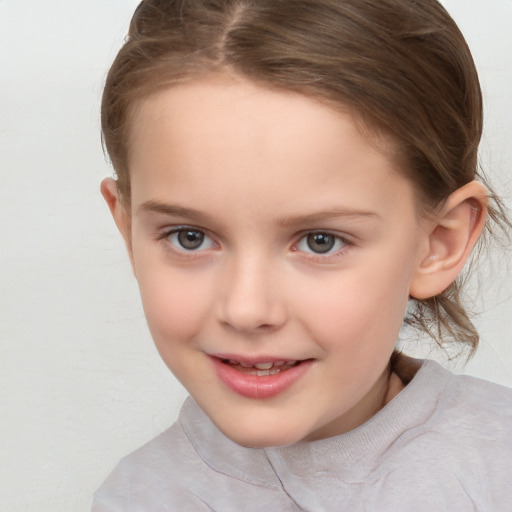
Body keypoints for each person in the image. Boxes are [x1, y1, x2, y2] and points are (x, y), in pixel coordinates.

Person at [92, 0, 512, 510]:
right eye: (190, 237)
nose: (247, 309)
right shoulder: (138, 498)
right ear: (128, 227)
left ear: (438, 244)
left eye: (320, 241)